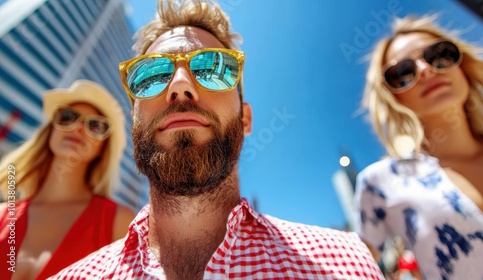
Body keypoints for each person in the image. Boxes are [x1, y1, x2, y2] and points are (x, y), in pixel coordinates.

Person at [50, 1, 384, 279]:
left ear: (246, 119)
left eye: (214, 69)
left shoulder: (346, 264)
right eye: (151, 75)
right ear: (135, 120)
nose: (181, 85)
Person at [354, 14, 483, 280]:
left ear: (462, 66)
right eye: (402, 73)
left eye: (439, 55)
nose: (425, 69)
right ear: (392, 96)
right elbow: (357, 268)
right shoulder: (381, 183)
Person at [0, 80, 135, 279]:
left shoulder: (118, 223)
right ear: (51, 131)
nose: (78, 128)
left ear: (102, 149)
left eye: (95, 125)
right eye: (68, 117)